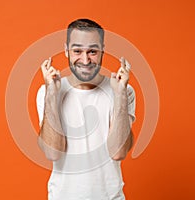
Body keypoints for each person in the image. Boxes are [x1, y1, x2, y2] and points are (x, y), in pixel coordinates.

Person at [36, 18, 136, 200]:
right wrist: (52, 94)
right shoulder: (48, 91)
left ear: (102, 51)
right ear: (66, 50)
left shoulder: (123, 90)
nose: (85, 59)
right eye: (77, 51)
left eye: (92, 51)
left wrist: (120, 95)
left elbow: (118, 152)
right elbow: (53, 152)